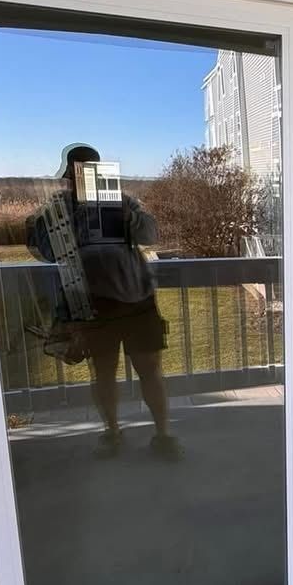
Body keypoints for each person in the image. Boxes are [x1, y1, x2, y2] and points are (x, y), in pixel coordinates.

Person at [27, 143, 181, 460]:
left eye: (90, 170)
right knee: (104, 370)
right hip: (93, 303)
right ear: (68, 175)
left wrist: (129, 215)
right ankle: (112, 432)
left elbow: (151, 235)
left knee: (149, 369)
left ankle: (163, 435)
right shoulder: (58, 209)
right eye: (77, 171)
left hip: (136, 298)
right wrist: (45, 224)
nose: (83, 177)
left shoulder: (122, 201)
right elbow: (44, 250)